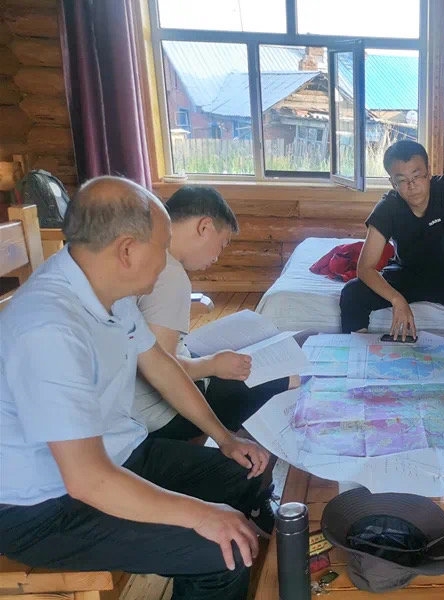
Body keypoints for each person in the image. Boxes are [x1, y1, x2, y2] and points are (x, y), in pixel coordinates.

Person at [0, 177, 271, 600]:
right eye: (162, 248)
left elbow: (160, 365)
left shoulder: (109, 289)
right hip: (43, 508)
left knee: (245, 471)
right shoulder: (49, 329)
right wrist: (200, 515)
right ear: (126, 250)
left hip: (118, 455)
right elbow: (88, 481)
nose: (166, 261)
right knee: (223, 553)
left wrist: (225, 438)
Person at [134, 185, 298, 442]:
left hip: (130, 402)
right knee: (288, 380)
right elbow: (160, 371)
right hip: (158, 415)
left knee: (234, 363)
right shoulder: (169, 275)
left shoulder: (142, 253)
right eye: (222, 245)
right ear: (205, 227)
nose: (217, 257)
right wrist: (212, 365)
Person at [339, 140, 444, 340]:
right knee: (352, 293)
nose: (412, 186)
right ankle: (357, 354)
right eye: (402, 180)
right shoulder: (388, 207)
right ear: (393, 183)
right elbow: (365, 268)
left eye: (417, 176)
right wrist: (397, 300)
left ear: (428, 173)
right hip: (407, 276)